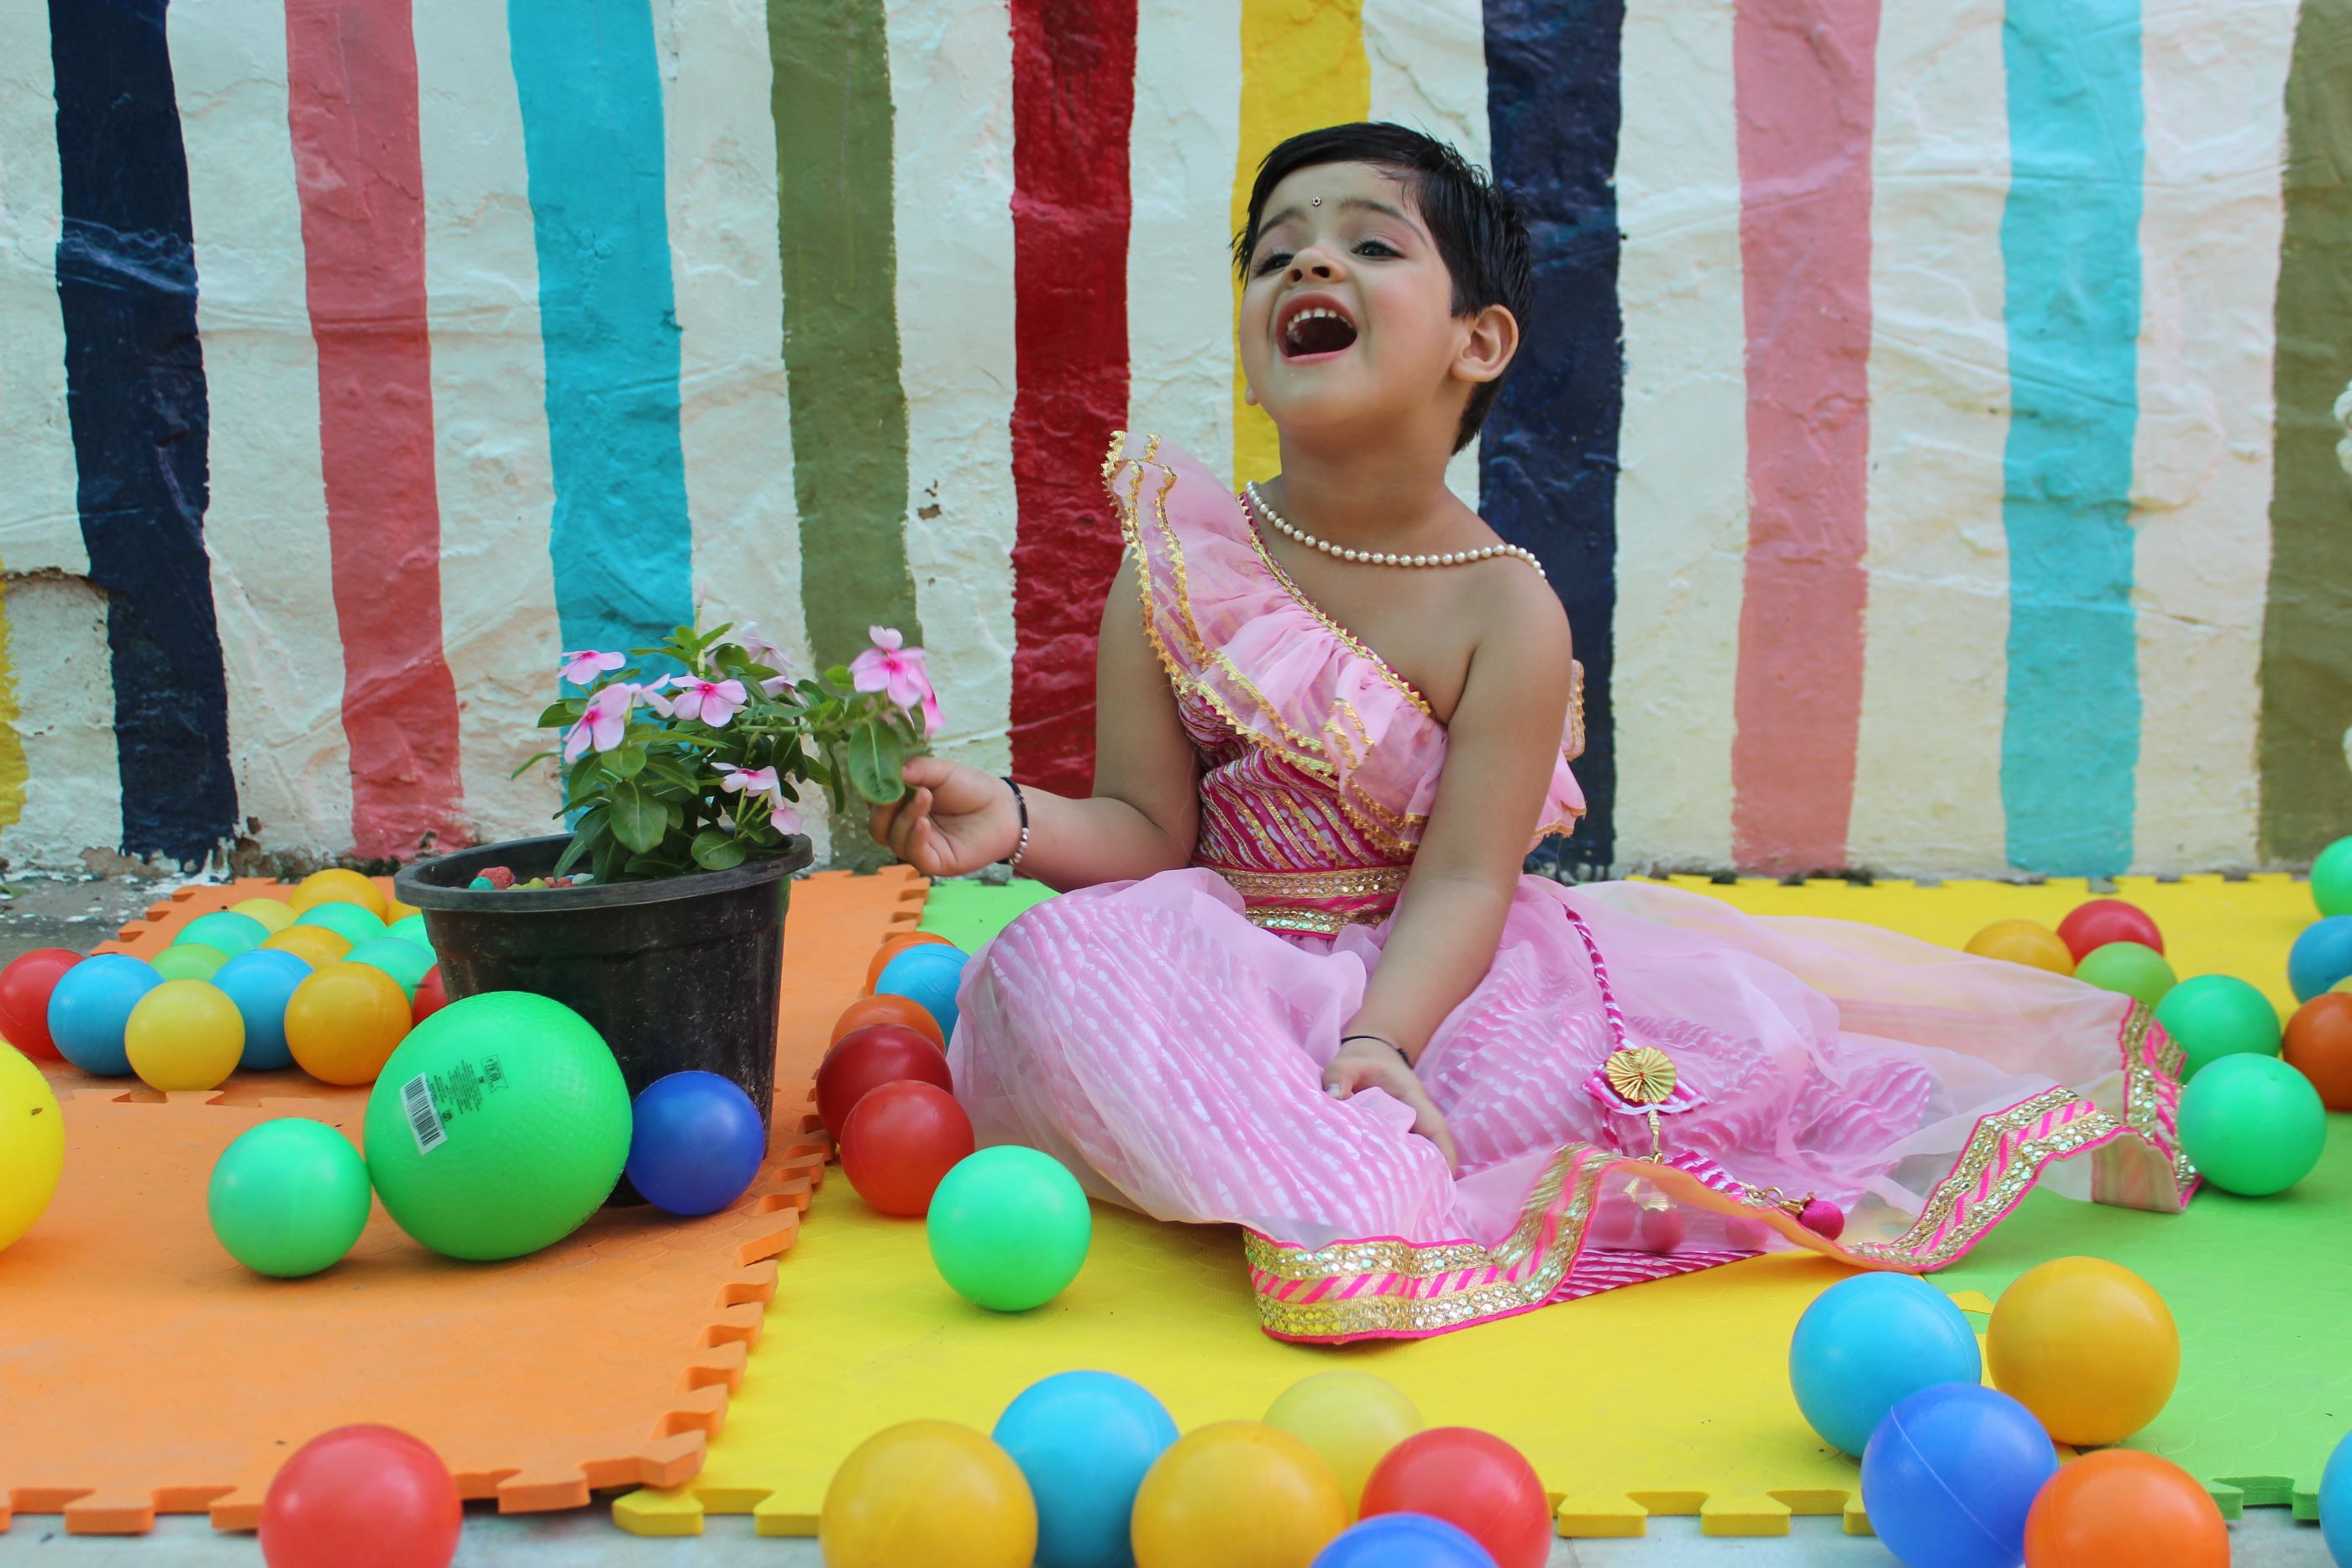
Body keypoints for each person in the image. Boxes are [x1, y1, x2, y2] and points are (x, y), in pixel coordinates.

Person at [869, 123, 2189, 1342]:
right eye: (1278, 251)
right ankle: (1332, 1170)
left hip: (1442, 977)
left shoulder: (1506, 606)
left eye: (1370, 243)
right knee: (1052, 966)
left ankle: (1354, 1161)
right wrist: (1019, 821)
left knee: (1591, 1086)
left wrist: (1379, 1042)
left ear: (1478, 342)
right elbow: (1151, 833)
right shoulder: (1180, 566)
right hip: (1222, 962)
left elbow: (1460, 878)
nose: (1311, 259)